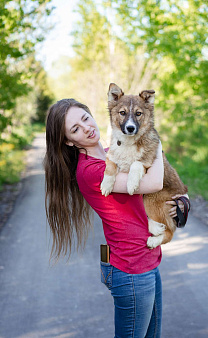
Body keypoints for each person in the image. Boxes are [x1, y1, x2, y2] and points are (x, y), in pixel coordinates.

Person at [44, 98, 189, 338]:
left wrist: (181, 200)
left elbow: (162, 185)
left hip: (148, 260)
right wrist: (153, 138)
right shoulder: (90, 171)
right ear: (69, 141)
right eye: (75, 129)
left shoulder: (115, 152)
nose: (86, 127)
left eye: (85, 118)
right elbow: (152, 182)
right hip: (131, 270)